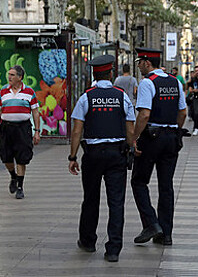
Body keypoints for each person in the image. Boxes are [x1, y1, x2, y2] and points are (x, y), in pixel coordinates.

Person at [68, 55, 135, 263]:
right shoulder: (121, 96)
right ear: (111, 73)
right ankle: (113, 249)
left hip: (93, 155)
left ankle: (88, 241)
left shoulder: (86, 97)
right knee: (116, 202)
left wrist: (72, 156)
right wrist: (131, 147)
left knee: (90, 198)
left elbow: (77, 130)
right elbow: (130, 127)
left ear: (94, 74)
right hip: (117, 155)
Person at [131, 47, 187, 246]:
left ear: (147, 63)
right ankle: (166, 234)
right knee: (166, 186)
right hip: (171, 138)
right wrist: (175, 131)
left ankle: (151, 223)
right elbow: (183, 112)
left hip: (151, 138)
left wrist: (134, 138)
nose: (138, 66)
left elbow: (144, 114)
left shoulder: (148, 83)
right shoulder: (175, 82)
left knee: (139, 181)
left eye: (139, 62)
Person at [0, 65, 41, 199]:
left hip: (23, 128)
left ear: (20, 77)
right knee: (6, 156)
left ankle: (20, 187)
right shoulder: (3, 91)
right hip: (6, 128)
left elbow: (35, 112)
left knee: (21, 157)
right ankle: (13, 176)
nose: (9, 77)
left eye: (12, 75)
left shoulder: (29, 92)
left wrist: (37, 131)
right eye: (9, 74)